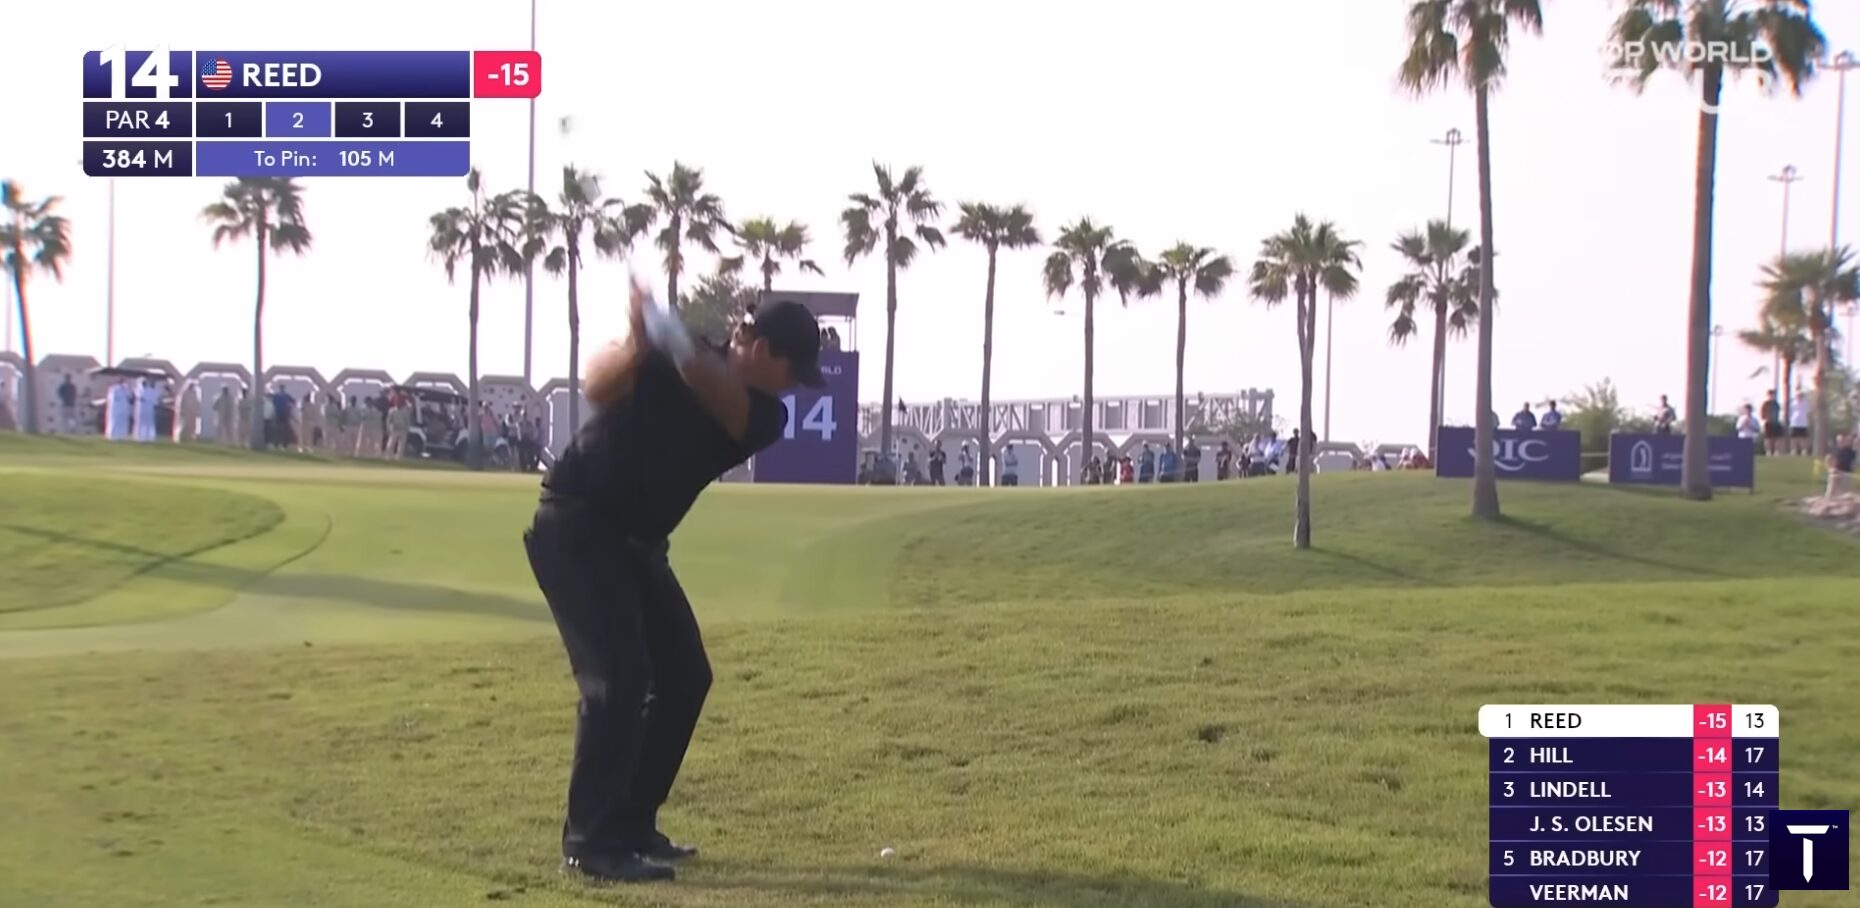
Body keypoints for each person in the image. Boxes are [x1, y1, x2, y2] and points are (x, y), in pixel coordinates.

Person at [524, 284, 825, 885]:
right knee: (618, 680)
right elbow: (598, 386)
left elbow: (720, 396)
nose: (795, 385)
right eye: (794, 370)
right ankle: (590, 842)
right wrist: (638, 345)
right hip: (578, 524)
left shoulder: (763, 413)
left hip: (636, 544)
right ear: (761, 348)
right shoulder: (676, 354)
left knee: (685, 675)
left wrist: (672, 338)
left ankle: (632, 821)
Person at [1827, 433, 1855, 498]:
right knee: (1831, 490)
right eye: (1839, 441)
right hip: (1836, 471)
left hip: (1846, 473)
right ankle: (1829, 500)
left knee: (1845, 492)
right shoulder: (1835, 449)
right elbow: (1829, 458)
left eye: (1842, 440)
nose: (1841, 442)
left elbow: (1852, 462)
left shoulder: (1850, 451)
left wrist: (1851, 470)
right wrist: (1830, 468)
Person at [1759, 390, 1784, 456]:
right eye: (1770, 395)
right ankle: (1768, 451)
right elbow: (1761, 413)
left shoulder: (1776, 404)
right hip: (1768, 422)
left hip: (1776, 422)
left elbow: (1780, 412)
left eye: (1773, 395)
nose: (1772, 396)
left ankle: (1776, 451)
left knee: (1777, 438)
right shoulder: (1765, 404)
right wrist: (1764, 419)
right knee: (1768, 438)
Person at [1788, 391, 1810, 456]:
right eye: (1798, 396)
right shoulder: (1793, 404)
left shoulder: (1806, 403)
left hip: (1803, 423)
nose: (1799, 397)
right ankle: (1794, 450)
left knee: (1803, 438)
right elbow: (1790, 413)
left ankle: (1804, 450)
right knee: (1794, 438)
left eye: (1800, 396)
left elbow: (1808, 412)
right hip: (1794, 423)